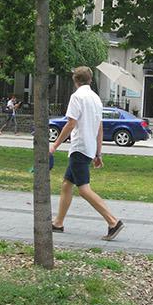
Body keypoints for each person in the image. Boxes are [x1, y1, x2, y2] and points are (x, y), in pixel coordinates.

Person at [50, 66, 123, 240]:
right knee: (67, 184)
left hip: (79, 147)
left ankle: (113, 221)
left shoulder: (77, 97)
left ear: (75, 81)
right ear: (90, 80)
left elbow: (70, 123)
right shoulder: (96, 99)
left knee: (83, 189)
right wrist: (98, 153)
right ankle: (58, 222)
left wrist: (54, 145)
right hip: (88, 148)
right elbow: (99, 127)